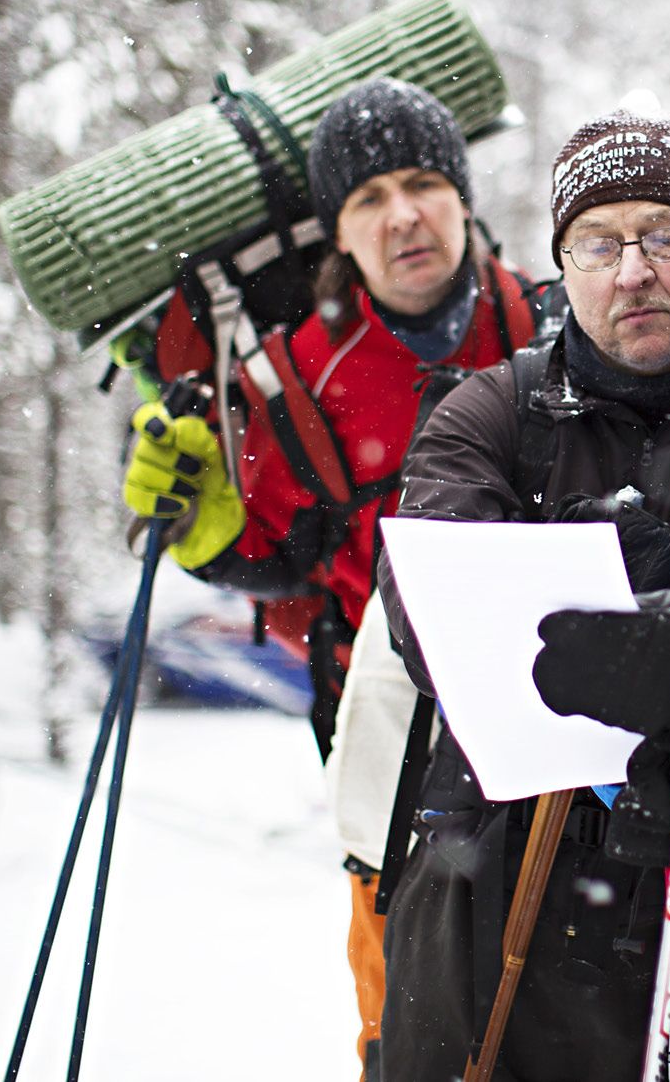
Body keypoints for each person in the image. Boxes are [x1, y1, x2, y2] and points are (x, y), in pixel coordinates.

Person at [120, 76, 539, 1081]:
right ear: (338, 234)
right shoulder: (294, 376)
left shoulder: (551, 322)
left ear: (463, 197)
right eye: (368, 198)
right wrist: (199, 524)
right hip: (390, 748)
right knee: (409, 1026)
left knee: (566, 1012)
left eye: (423, 182)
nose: (403, 215)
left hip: (557, 717)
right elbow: (270, 557)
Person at [373, 94, 670, 1082]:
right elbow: (437, 628)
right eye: (599, 243)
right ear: (562, 266)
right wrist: (626, 570)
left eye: (665, 233)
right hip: (507, 872)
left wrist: (620, 592)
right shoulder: (491, 414)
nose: (633, 269)